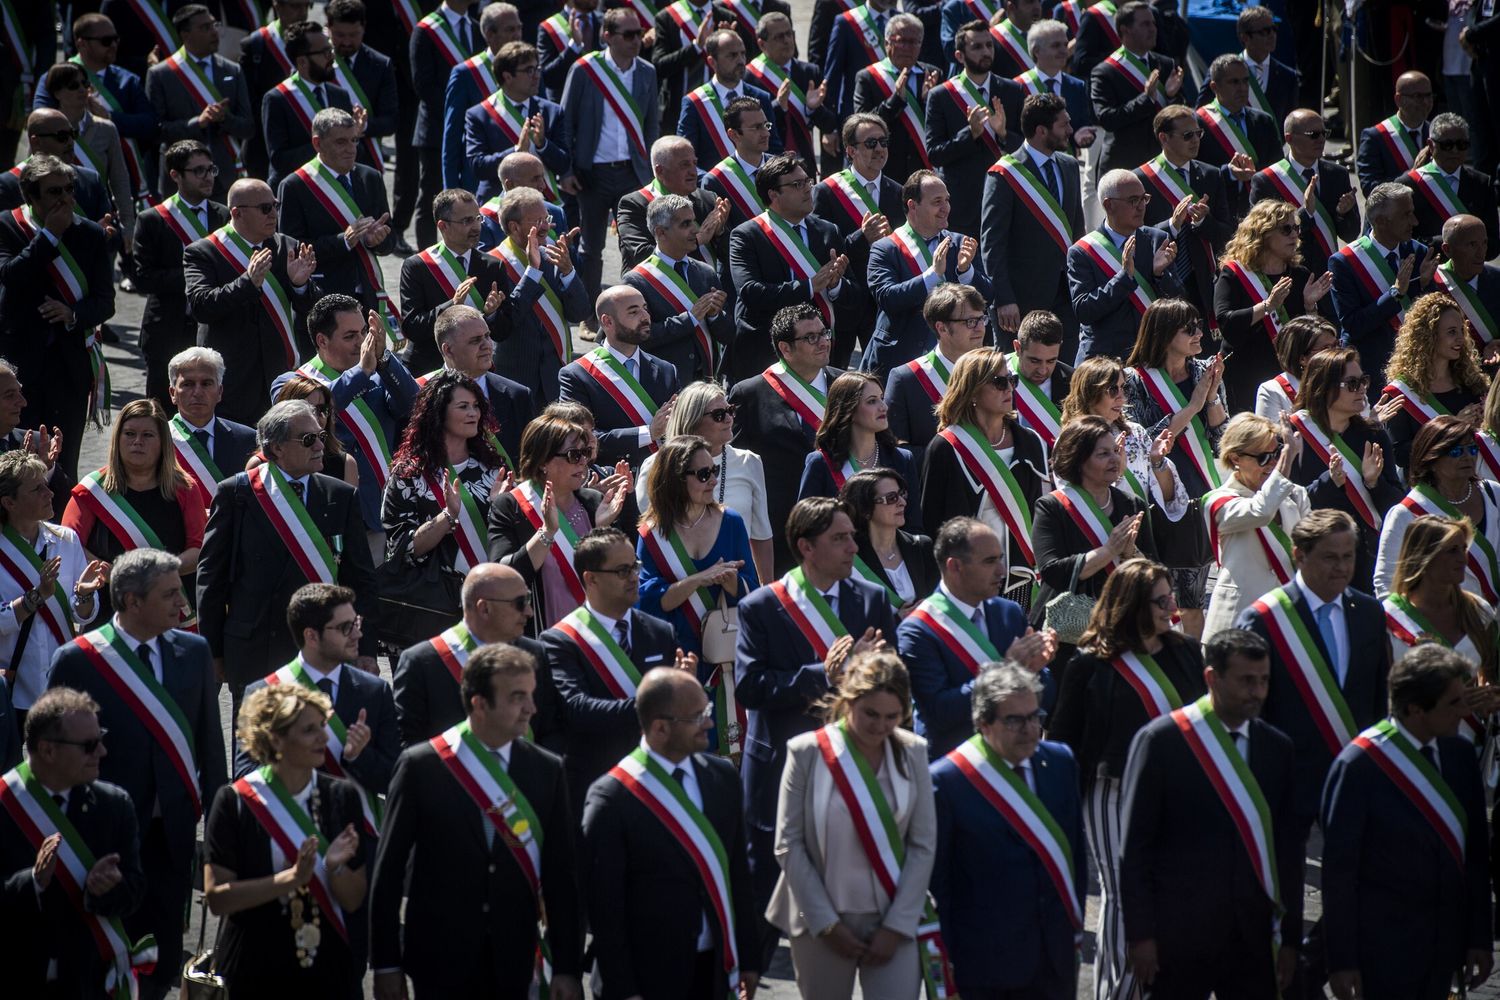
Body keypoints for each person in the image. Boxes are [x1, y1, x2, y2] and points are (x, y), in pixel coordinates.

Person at [46, 549, 224, 1000]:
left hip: (173, 831)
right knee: (100, 952)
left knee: (164, 958)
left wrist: (219, 835)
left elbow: (210, 745)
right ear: (130, 601)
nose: (181, 604)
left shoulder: (194, 651)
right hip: (100, 836)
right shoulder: (78, 660)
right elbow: (49, 758)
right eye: (168, 594)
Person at [374, 642, 584, 999]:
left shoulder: (546, 770)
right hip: (439, 961)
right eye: (518, 697)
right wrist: (386, 964)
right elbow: (388, 872)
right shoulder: (421, 765)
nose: (531, 709)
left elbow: (561, 874)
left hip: (517, 960)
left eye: (532, 695)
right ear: (479, 703)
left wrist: (567, 968)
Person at [734, 496, 898, 951]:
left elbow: (896, 680)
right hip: (781, 766)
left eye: (852, 537)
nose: (852, 548)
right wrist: (822, 675)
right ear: (806, 547)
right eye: (840, 539)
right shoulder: (762, 606)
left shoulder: (872, 599)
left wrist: (872, 671)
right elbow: (750, 688)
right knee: (766, 889)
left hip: (853, 765)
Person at [1048, 557, 1205, 1000]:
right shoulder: (1089, 666)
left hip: (1176, 797)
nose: (1171, 606)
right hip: (1111, 794)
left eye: (1171, 596)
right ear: (1132, 605)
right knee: (1122, 896)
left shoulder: (1187, 654)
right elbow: (1063, 742)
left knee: (1166, 896)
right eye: (1161, 600)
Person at [1118, 628, 1302, 998]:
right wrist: (1140, 935)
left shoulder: (1277, 749)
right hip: (1178, 936)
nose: (1257, 692)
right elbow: (1135, 849)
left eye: (1263, 680)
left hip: (1251, 937)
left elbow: (1288, 851)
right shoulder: (1162, 742)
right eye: (1246, 681)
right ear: (1211, 678)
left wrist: (1292, 940)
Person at [1321, 645, 1492, 1000]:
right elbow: (1339, 874)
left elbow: (1475, 854)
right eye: (1453, 704)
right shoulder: (1359, 766)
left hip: (1444, 946)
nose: (1464, 713)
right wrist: (1342, 960)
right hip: (1382, 949)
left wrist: (1479, 936)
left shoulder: (1459, 756)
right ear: (1416, 708)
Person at [582, 666, 761, 1000]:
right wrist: (624, 990)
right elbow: (605, 909)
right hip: (645, 977)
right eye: (697, 716)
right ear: (660, 728)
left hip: (712, 971)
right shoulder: (612, 797)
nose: (709, 723)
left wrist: (749, 957)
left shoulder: (722, 778)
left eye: (706, 711)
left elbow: (738, 874)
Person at [768, 651, 936, 999]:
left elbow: (923, 844)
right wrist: (826, 923)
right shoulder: (806, 752)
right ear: (848, 701)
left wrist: (897, 925)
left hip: (894, 916)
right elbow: (788, 843)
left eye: (893, 716)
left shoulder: (914, 751)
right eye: (870, 714)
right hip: (819, 920)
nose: (880, 726)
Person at [197, 400, 378, 709]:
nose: (321, 445)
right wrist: (213, 652)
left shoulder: (340, 496)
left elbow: (360, 582)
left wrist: (365, 649)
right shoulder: (237, 493)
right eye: (308, 439)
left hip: (324, 648)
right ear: (277, 448)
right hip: (256, 649)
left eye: (320, 435)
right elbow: (210, 580)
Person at [930, 660, 1085, 1000]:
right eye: (1015, 720)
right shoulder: (948, 781)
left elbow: (1075, 858)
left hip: (1054, 962)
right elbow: (939, 887)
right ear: (983, 723)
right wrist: (946, 968)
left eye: (1035, 716)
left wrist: (1072, 932)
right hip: (984, 968)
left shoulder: (1059, 762)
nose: (1030, 729)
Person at [205, 679, 368, 996]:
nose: (324, 737)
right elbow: (217, 898)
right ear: (276, 739)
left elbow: (353, 899)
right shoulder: (234, 801)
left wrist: (334, 868)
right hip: (254, 968)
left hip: (328, 968)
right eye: (309, 730)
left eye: (322, 726)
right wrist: (291, 879)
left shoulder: (341, 796)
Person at [0, 688, 146, 997]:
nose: (102, 752)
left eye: (100, 738)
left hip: (87, 983)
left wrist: (108, 888)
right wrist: (33, 883)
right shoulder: (5, 804)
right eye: (89, 745)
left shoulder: (115, 806)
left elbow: (134, 893)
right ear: (48, 751)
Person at [543, 525, 684, 815]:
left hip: (657, 784)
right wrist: (658, 706)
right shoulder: (561, 641)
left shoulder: (661, 632)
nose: (634, 577)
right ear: (591, 579)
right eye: (622, 571)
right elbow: (577, 709)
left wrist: (684, 690)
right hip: (596, 788)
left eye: (635, 566)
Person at [899, 517, 1054, 756]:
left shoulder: (1009, 613)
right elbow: (939, 712)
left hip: (1013, 756)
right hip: (957, 768)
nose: (1002, 571)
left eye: (1001, 559)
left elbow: (1046, 698)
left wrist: (1035, 671)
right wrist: (1007, 669)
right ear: (955, 566)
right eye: (989, 562)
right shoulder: (918, 630)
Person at [0, 155, 114, 480]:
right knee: (16, 466)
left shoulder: (90, 234)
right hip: (21, 369)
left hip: (69, 369)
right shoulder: (8, 225)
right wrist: (48, 236)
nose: (64, 198)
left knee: (62, 463)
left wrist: (73, 313)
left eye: (69, 189)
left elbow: (106, 302)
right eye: (53, 192)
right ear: (31, 197)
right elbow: (10, 275)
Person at [277, 294, 421, 552]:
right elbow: (309, 413)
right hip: (331, 516)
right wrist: (362, 372)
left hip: (385, 510)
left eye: (364, 332)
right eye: (350, 336)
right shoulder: (290, 383)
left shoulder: (379, 373)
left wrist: (385, 359)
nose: (361, 342)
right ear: (322, 340)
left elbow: (414, 405)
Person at [379, 371, 510, 640]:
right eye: (463, 406)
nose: (473, 413)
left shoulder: (493, 466)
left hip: (493, 602)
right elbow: (401, 550)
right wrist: (448, 516)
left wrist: (502, 508)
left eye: (476, 406)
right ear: (439, 413)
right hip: (437, 609)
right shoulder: (408, 474)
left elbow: (511, 536)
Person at [1123, 299, 1226, 634]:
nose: (1199, 334)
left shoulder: (1203, 370)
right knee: (1156, 594)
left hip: (1199, 487)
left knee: (1193, 599)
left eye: (1198, 326)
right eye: (1189, 329)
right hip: (1158, 493)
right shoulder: (1133, 381)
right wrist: (1193, 405)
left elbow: (1220, 438)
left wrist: (1210, 398)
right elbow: (1142, 442)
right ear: (1166, 334)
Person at [183, 177, 321, 425]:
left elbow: (313, 312)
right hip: (232, 379)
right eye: (265, 208)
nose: (273, 214)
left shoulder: (286, 246)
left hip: (279, 373)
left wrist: (300, 285)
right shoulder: (204, 251)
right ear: (237, 213)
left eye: (275, 206)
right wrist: (247, 282)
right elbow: (200, 306)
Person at [920, 349, 1049, 605]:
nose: (1009, 389)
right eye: (999, 382)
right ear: (972, 390)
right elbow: (932, 522)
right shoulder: (946, 446)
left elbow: (1043, 510)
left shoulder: (1032, 442)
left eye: (1012, 380)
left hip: (1022, 576)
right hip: (968, 579)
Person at [61, 398, 205, 623]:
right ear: (117, 439)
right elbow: (69, 544)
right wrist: (111, 575)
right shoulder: (91, 490)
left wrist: (156, 575)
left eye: (148, 435)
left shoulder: (185, 488)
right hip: (109, 610)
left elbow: (198, 549)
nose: (137, 442)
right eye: (129, 434)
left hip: (170, 611)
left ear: (163, 443)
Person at [728, 303, 845, 576]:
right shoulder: (750, 393)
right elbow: (736, 463)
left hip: (841, 519)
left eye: (824, 333)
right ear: (785, 348)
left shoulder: (847, 385)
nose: (823, 342)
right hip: (780, 528)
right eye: (810, 337)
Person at [392, 561, 561, 749]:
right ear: (484, 608)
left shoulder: (535, 654)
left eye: (528, 600)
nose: (529, 612)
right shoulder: (422, 663)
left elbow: (552, 731)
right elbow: (407, 745)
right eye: (520, 603)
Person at [485, 413, 628, 630]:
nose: (583, 461)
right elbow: (501, 577)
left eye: (586, 453)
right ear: (543, 461)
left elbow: (623, 572)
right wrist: (547, 532)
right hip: (546, 641)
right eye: (573, 455)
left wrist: (603, 530)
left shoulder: (595, 502)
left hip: (599, 635)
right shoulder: (511, 506)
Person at [561, 7, 660, 309]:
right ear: (607, 36)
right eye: (629, 34)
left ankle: (634, 311)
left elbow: (651, 125)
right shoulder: (584, 69)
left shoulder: (647, 71)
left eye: (639, 33)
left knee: (637, 245)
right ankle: (592, 314)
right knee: (591, 248)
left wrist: (654, 172)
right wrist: (565, 170)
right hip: (593, 174)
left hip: (634, 173)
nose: (637, 40)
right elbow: (565, 122)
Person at [0, 452, 109, 723]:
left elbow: (81, 615)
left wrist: (84, 595)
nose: (50, 493)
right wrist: (35, 597)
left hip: (60, 686)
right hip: (11, 687)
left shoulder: (66, 539)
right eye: (37, 489)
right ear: (9, 502)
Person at [1286, 347, 1406, 592]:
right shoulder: (1295, 434)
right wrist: (1330, 482)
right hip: (1317, 559)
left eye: (1363, 380)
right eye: (1352, 383)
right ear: (1325, 388)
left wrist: (1374, 482)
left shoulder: (1374, 435)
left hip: (1367, 558)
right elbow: (1288, 505)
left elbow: (1396, 506)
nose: (1362, 388)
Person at [727, 154, 852, 384]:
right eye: (797, 184)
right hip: (765, 351)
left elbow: (855, 295)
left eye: (808, 181)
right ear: (773, 194)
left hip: (820, 349)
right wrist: (809, 286)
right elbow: (750, 291)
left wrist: (836, 285)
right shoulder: (747, 235)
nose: (807, 189)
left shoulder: (828, 231)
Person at [1030, 415, 1160, 635]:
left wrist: (1130, 553)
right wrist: (1108, 551)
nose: (1115, 459)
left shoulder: (1132, 504)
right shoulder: (1052, 506)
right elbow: (1052, 571)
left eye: (1115, 451)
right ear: (1079, 460)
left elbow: (1154, 572)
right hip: (1064, 630)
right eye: (1103, 454)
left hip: (1119, 625)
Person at [636, 381, 774, 583]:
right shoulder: (656, 465)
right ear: (692, 420)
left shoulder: (749, 462)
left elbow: (761, 536)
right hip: (676, 587)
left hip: (732, 588)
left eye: (730, 410)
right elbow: (652, 536)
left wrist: (766, 594)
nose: (729, 419)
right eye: (719, 415)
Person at [981, 93, 1084, 358]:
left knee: (1065, 374)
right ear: (1041, 131)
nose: (1070, 131)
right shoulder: (1004, 174)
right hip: (1021, 301)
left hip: (1066, 296)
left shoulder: (1070, 165)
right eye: (1064, 125)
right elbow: (992, 243)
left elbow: (1077, 231)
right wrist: (1003, 298)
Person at [638, 435, 758, 659]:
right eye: (703, 474)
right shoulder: (651, 534)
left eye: (715, 471)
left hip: (724, 657)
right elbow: (647, 604)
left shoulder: (731, 522)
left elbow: (753, 592)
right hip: (674, 658)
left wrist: (733, 583)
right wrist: (699, 579)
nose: (713, 480)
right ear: (676, 479)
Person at [864, 171, 990, 378]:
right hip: (900, 359)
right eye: (937, 202)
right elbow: (887, 298)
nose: (945, 208)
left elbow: (988, 297)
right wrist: (931, 276)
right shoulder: (885, 248)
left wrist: (966, 272)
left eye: (947, 200)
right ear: (913, 205)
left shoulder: (959, 243)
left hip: (954, 362)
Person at [1215, 200, 1336, 413]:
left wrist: (1310, 306)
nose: (1294, 235)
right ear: (1263, 232)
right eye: (1286, 229)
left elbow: (1321, 335)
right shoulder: (1234, 274)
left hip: (1290, 377)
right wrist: (1267, 306)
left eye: (1296, 228)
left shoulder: (1300, 275)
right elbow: (1226, 322)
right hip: (1246, 374)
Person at [276, 108, 396, 323]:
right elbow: (293, 250)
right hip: (323, 298)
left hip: (366, 294)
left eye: (354, 140)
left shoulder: (371, 177)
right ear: (317, 143)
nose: (351, 149)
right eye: (341, 142)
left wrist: (378, 240)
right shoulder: (295, 185)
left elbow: (389, 239)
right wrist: (343, 242)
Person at [135, 142, 231, 407]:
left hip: (213, 328)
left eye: (211, 169)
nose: (208, 176)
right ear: (175, 175)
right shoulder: (152, 219)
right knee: (161, 410)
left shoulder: (223, 215)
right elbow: (143, 278)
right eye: (198, 171)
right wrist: (196, 276)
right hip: (167, 328)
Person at [1202, 412, 1310, 645]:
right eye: (1263, 457)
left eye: (1275, 454)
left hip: (1289, 619)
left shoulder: (1295, 494)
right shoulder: (1217, 501)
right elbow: (1259, 512)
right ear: (1235, 458)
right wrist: (1286, 460)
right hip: (1238, 624)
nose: (1272, 463)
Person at [1328, 183, 1437, 401]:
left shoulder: (1419, 252)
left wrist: (1424, 285)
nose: (1414, 221)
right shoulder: (1345, 262)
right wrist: (1395, 293)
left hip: (1416, 365)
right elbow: (1353, 324)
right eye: (1406, 215)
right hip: (1372, 372)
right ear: (1380, 222)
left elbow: (1431, 314)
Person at [812, 113, 904, 369]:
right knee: (834, 376)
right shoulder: (827, 191)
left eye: (883, 142)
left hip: (882, 299)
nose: (879, 149)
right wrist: (861, 239)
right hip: (842, 301)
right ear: (851, 150)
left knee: (881, 376)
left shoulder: (897, 191)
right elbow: (819, 250)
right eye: (871, 143)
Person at [37, 12, 157, 207]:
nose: (113, 45)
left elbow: (150, 124)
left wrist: (110, 117)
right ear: (81, 44)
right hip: (67, 175)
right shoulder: (54, 77)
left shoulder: (128, 80)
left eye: (116, 39)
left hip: (118, 179)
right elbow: (40, 122)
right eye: (106, 40)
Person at [1375, 415, 1500, 601]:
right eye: (1456, 452)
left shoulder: (1494, 493)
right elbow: (1386, 583)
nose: (1468, 457)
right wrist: (1411, 628)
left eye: (1472, 449)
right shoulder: (1407, 512)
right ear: (1431, 459)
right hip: (1442, 623)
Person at [1067, 169, 1185, 364]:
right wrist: (1124, 278)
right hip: (1103, 362)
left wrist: (1159, 274)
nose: (1141, 207)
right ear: (1109, 205)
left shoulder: (1157, 239)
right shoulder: (1082, 252)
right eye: (1133, 201)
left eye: (1143, 199)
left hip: (1150, 356)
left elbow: (1179, 301)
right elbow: (1084, 310)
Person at [1135, 103, 1238, 326]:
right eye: (1187, 135)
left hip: (1202, 281)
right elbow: (1137, 236)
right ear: (1164, 138)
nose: (1196, 140)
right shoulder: (1141, 179)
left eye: (1198, 133)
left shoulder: (1210, 175)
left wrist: (1203, 221)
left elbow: (1227, 233)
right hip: (1162, 280)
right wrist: (1172, 226)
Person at [1058, 355, 1189, 529]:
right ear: (1090, 393)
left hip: (1140, 536)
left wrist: (1157, 462)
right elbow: (1072, 502)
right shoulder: (1070, 441)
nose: (1121, 398)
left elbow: (1170, 500)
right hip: (1098, 537)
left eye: (1122, 388)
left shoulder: (1136, 433)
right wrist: (1117, 473)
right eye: (1113, 390)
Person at [926, 19, 1025, 241]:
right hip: (961, 203)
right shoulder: (941, 95)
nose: (986, 51)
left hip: (1005, 196)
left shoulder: (1013, 90)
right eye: (977, 47)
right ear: (959, 56)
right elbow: (935, 152)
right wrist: (969, 134)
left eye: (989, 45)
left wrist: (1003, 135)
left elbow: (1026, 149)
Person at [487, 186, 588, 403]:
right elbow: (503, 326)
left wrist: (569, 271)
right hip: (516, 378)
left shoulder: (552, 256)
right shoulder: (492, 264)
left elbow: (579, 313)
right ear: (514, 227)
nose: (546, 227)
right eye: (536, 222)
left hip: (556, 374)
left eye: (547, 218)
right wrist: (532, 273)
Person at [559, 285, 680, 466]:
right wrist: (649, 433)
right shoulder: (577, 375)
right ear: (607, 321)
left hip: (662, 478)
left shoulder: (666, 370)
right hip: (611, 481)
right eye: (633, 312)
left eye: (645, 308)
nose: (645, 317)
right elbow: (580, 438)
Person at [397, 187, 510, 379]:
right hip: (428, 371)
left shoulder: (493, 266)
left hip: (476, 373)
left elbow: (503, 331)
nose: (476, 227)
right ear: (443, 226)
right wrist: (452, 304)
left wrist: (491, 315)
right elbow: (412, 327)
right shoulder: (417, 266)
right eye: (466, 221)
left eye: (477, 218)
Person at [622, 193, 734, 384]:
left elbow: (728, 335)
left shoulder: (705, 272)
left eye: (693, 222)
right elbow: (637, 337)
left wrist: (715, 315)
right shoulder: (637, 280)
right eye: (685, 224)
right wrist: (688, 319)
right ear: (661, 232)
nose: (694, 230)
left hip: (706, 382)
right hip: (666, 386)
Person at [145, 5, 253, 202]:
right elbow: (155, 131)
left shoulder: (232, 70)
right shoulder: (161, 74)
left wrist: (224, 119)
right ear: (185, 34)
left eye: (214, 25)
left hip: (224, 175)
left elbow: (248, 127)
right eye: (205, 28)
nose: (214, 32)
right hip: (181, 179)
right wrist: (197, 123)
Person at [1377, 292, 1489, 469]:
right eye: (1452, 332)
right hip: (1430, 488)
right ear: (1429, 336)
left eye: (1462, 330)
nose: (1461, 338)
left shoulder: (1471, 380)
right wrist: (1453, 427)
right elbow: (1400, 454)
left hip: (1474, 477)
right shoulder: (1401, 392)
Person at [1381, 514, 1499, 675]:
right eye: (1452, 551)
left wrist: (1488, 697)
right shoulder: (1388, 619)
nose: (1463, 559)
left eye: (1464, 549)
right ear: (1424, 557)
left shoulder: (1479, 611)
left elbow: (1492, 676)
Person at [408, 0, 483, 249]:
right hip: (437, 128)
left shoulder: (475, 26)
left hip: (472, 130)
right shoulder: (426, 29)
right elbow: (423, 84)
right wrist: (458, 111)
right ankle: (427, 259)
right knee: (433, 197)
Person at [423, 304, 536, 469]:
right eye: (475, 340)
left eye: (487, 336)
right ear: (448, 350)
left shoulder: (517, 395)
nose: (487, 345)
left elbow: (531, 464)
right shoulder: (421, 394)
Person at [884, 282, 987, 462]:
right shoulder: (907, 379)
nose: (980, 328)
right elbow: (895, 451)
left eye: (982, 319)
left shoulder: (996, 371)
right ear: (942, 328)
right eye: (970, 322)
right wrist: (955, 459)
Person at [1248, 108, 1362, 270]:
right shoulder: (1267, 180)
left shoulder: (1337, 174)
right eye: (1314, 135)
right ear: (1290, 138)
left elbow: (1351, 234)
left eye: (1324, 133)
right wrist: (1305, 213)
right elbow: (1262, 234)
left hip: (1327, 272)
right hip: (1288, 273)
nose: (1321, 139)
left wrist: (1343, 214)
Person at [799, 372, 920, 520]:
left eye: (881, 398)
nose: (884, 407)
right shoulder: (820, 463)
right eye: (872, 401)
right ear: (849, 410)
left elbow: (914, 527)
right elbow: (806, 525)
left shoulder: (903, 459)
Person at [461, 40, 569, 205]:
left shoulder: (552, 111)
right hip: (498, 204)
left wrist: (543, 144)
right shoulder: (479, 114)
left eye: (537, 68)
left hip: (544, 203)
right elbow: (478, 167)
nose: (537, 75)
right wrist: (515, 152)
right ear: (507, 76)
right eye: (529, 70)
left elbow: (564, 165)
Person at [261, 22, 363, 193]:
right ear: (302, 62)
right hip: (297, 191)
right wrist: (328, 143)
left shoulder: (339, 95)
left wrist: (353, 135)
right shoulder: (277, 99)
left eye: (331, 50)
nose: (332, 57)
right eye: (325, 52)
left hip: (335, 190)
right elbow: (280, 160)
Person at [45, 62, 137, 252]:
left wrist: (128, 225)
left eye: (84, 84)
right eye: (73, 85)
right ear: (57, 93)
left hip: (101, 222)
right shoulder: (46, 129)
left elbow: (119, 180)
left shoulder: (107, 129)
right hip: (57, 222)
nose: (82, 90)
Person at [1087, 1, 1182, 179]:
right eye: (1145, 24)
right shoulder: (1105, 71)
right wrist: (1145, 99)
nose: (1153, 29)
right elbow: (1107, 119)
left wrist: (1171, 96)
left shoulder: (1165, 63)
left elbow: (1180, 114)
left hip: (1162, 163)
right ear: (1125, 30)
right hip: (1124, 166)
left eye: (1153, 23)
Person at [442, 4, 527, 194]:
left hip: (524, 178)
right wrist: (450, 191)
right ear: (490, 34)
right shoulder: (466, 74)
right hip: (482, 182)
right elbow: (452, 138)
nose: (517, 34)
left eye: (519, 28)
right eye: (510, 29)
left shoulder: (530, 68)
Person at [616, 135, 732, 273]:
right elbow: (643, 254)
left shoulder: (708, 199)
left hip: (707, 290)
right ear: (660, 171)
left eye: (694, 163)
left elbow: (730, 257)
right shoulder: (635, 204)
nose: (693, 172)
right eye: (685, 165)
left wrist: (720, 233)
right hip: (658, 290)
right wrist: (698, 240)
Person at [851, 14, 942, 186]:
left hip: (923, 168)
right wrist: (895, 101)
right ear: (887, 43)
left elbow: (941, 125)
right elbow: (861, 124)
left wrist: (927, 101)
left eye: (914, 42)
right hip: (885, 167)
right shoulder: (868, 77)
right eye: (902, 41)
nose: (907, 47)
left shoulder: (933, 75)